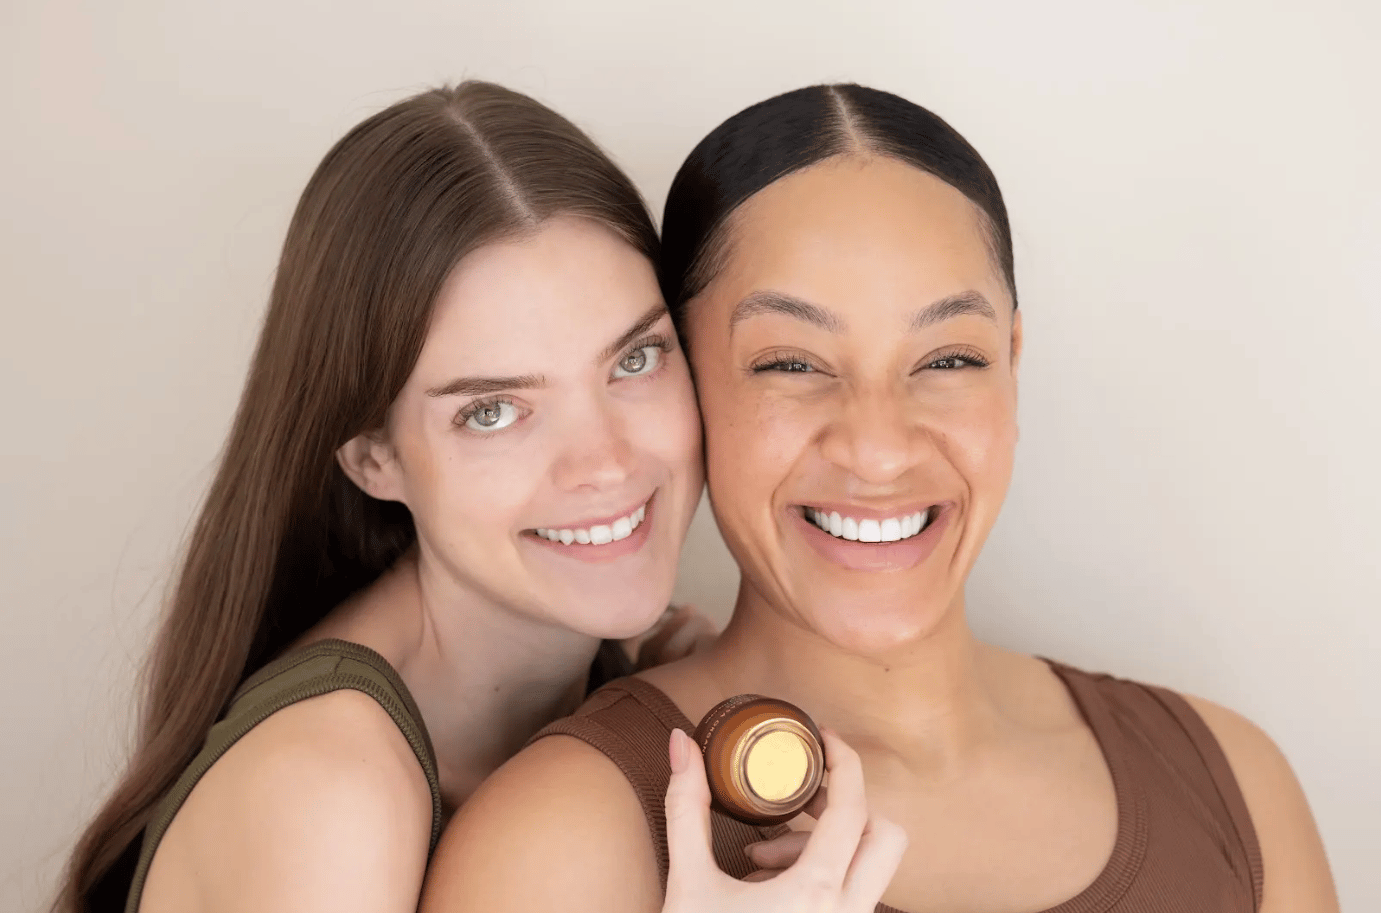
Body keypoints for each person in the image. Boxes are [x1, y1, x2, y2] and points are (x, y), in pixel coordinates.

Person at [420, 84, 1340, 913]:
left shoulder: (1229, 779)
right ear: (686, 385)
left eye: (947, 360)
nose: (877, 447)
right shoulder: (563, 838)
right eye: (789, 364)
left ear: (1012, 362)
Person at [54, 80, 712, 913]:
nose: (604, 463)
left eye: (634, 360)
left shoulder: (610, 697)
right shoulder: (332, 796)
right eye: (493, 410)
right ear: (374, 458)